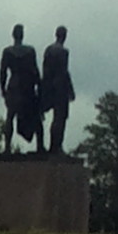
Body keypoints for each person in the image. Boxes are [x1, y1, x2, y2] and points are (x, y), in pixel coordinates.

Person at [0, 25, 43, 153]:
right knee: (36, 117)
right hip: (27, 87)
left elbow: (3, 72)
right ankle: (40, 146)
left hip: (14, 86)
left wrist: (3, 89)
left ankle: (7, 147)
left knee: (10, 116)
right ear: (22, 35)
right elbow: (35, 70)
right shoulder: (30, 51)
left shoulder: (7, 52)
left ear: (13, 35)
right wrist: (39, 86)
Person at [41, 25, 75, 154]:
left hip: (49, 86)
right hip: (60, 88)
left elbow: (45, 69)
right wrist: (70, 89)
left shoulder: (48, 49)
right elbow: (64, 72)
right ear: (64, 36)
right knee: (60, 118)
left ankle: (51, 146)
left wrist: (44, 87)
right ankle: (56, 146)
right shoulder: (63, 51)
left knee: (56, 118)